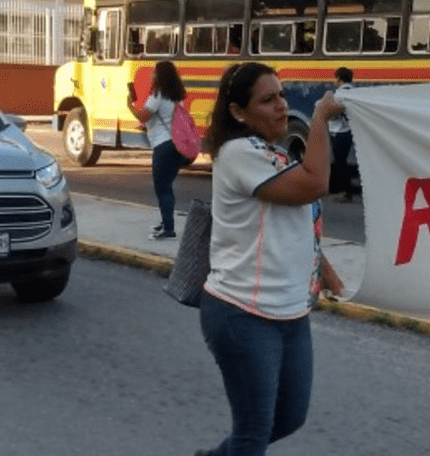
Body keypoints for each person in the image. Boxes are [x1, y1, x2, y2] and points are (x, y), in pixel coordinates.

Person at [194, 61, 345, 456]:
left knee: (290, 417)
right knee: (253, 432)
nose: (280, 106)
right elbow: (315, 184)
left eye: (281, 95)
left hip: (290, 311)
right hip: (243, 312)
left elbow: (290, 217)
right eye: (267, 100)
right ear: (238, 112)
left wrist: (323, 268)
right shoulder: (238, 153)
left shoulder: (269, 151)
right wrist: (320, 117)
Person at [126, 60, 187, 240]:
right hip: (176, 146)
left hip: (163, 147)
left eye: (154, 72)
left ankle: (168, 229)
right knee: (167, 187)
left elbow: (142, 115)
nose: (152, 75)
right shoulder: (176, 96)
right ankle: (166, 221)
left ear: (161, 76)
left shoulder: (158, 95)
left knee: (162, 188)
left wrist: (130, 105)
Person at [328, 67, 358, 202]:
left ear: (339, 79)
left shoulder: (340, 95)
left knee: (340, 163)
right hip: (349, 131)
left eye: (336, 78)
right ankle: (343, 189)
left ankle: (346, 192)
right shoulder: (354, 91)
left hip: (340, 131)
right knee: (341, 161)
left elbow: (334, 115)